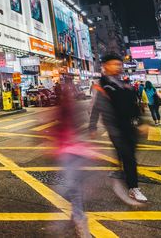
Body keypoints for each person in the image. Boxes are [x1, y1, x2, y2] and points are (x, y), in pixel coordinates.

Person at [89, 53, 148, 205]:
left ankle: (120, 172)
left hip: (129, 126)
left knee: (127, 154)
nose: (118, 67)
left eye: (119, 64)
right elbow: (95, 107)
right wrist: (92, 126)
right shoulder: (101, 86)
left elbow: (133, 106)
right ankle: (133, 187)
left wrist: (140, 122)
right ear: (105, 66)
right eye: (114, 64)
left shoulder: (123, 84)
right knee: (129, 157)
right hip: (115, 128)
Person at [53, 77, 92, 237]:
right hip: (69, 152)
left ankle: (77, 216)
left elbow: (80, 127)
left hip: (75, 151)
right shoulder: (64, 108)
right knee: (72, 186)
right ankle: (77, 216)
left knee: (72, 186)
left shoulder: (72, 107)